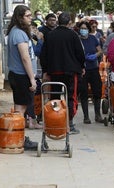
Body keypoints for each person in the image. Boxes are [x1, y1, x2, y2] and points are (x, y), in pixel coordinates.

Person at [40, 12, 85, 135]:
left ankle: (56, 123)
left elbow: (44, 55)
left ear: (58, 21)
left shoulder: (50, 35)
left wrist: (45, 70)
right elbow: (80, 54)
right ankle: (69, 124)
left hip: (54, 71)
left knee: (54, 97)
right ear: (69, 23)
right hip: (71, 71)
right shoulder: (73, 35)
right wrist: (81, 66)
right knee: (71, 97)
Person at [6, 5, 38, 150]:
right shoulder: (18, 33)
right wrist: (32, 79)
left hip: (19, 75)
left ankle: (17, 137)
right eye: (28, 16)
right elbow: (25, 57)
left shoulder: (18, 32)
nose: (31, 18)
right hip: (21, 76)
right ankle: (17, 138)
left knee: (20, 109)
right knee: (20, 110)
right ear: (20, 17)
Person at [78, 21, 104, 124]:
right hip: (83, 69)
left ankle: (98, 114)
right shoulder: (77, 40)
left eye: (85, 28)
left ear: (88, 30)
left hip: (93, 68)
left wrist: (95, 56)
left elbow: (100, 50)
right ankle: (86, 116)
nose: (83, 30)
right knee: (84, 92)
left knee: (97, 91)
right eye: (82, 28)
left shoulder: (93, 38)